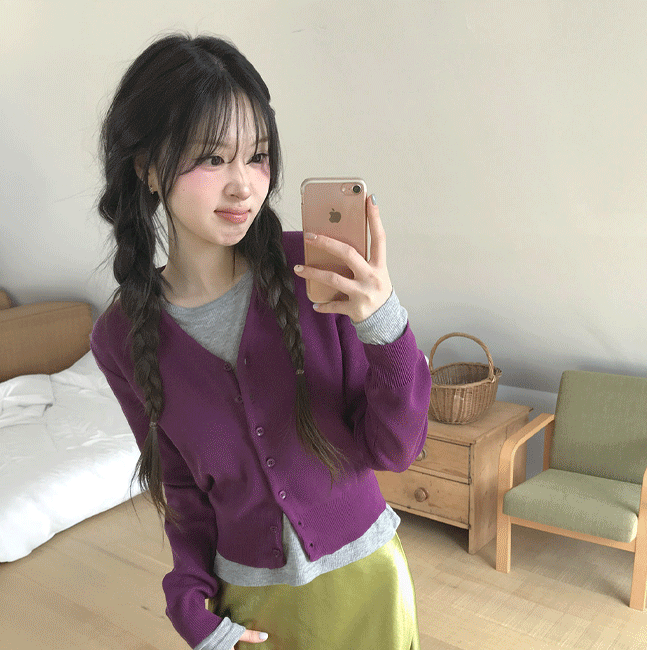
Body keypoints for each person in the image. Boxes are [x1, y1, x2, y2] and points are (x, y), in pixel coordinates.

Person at [90, 32, 431, 650]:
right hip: (251, 606)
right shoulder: (121, 337)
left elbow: (395, 449)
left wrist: (384, 326)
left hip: (369, 584)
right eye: (212, 158)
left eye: (258, 156)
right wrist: (190, 603)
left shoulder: (315, 271)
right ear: (147, 167)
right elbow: (183, 492)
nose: (244, 186)